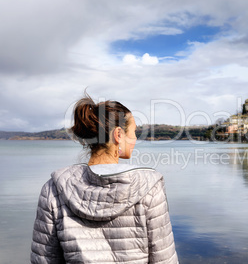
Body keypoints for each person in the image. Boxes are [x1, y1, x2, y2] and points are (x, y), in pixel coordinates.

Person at [31, 93, 178, 263]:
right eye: (133, 132)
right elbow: (164, 259)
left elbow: (43, 260)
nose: (135, 138)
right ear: (118, 135)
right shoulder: (150, 188)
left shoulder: (54, 189)